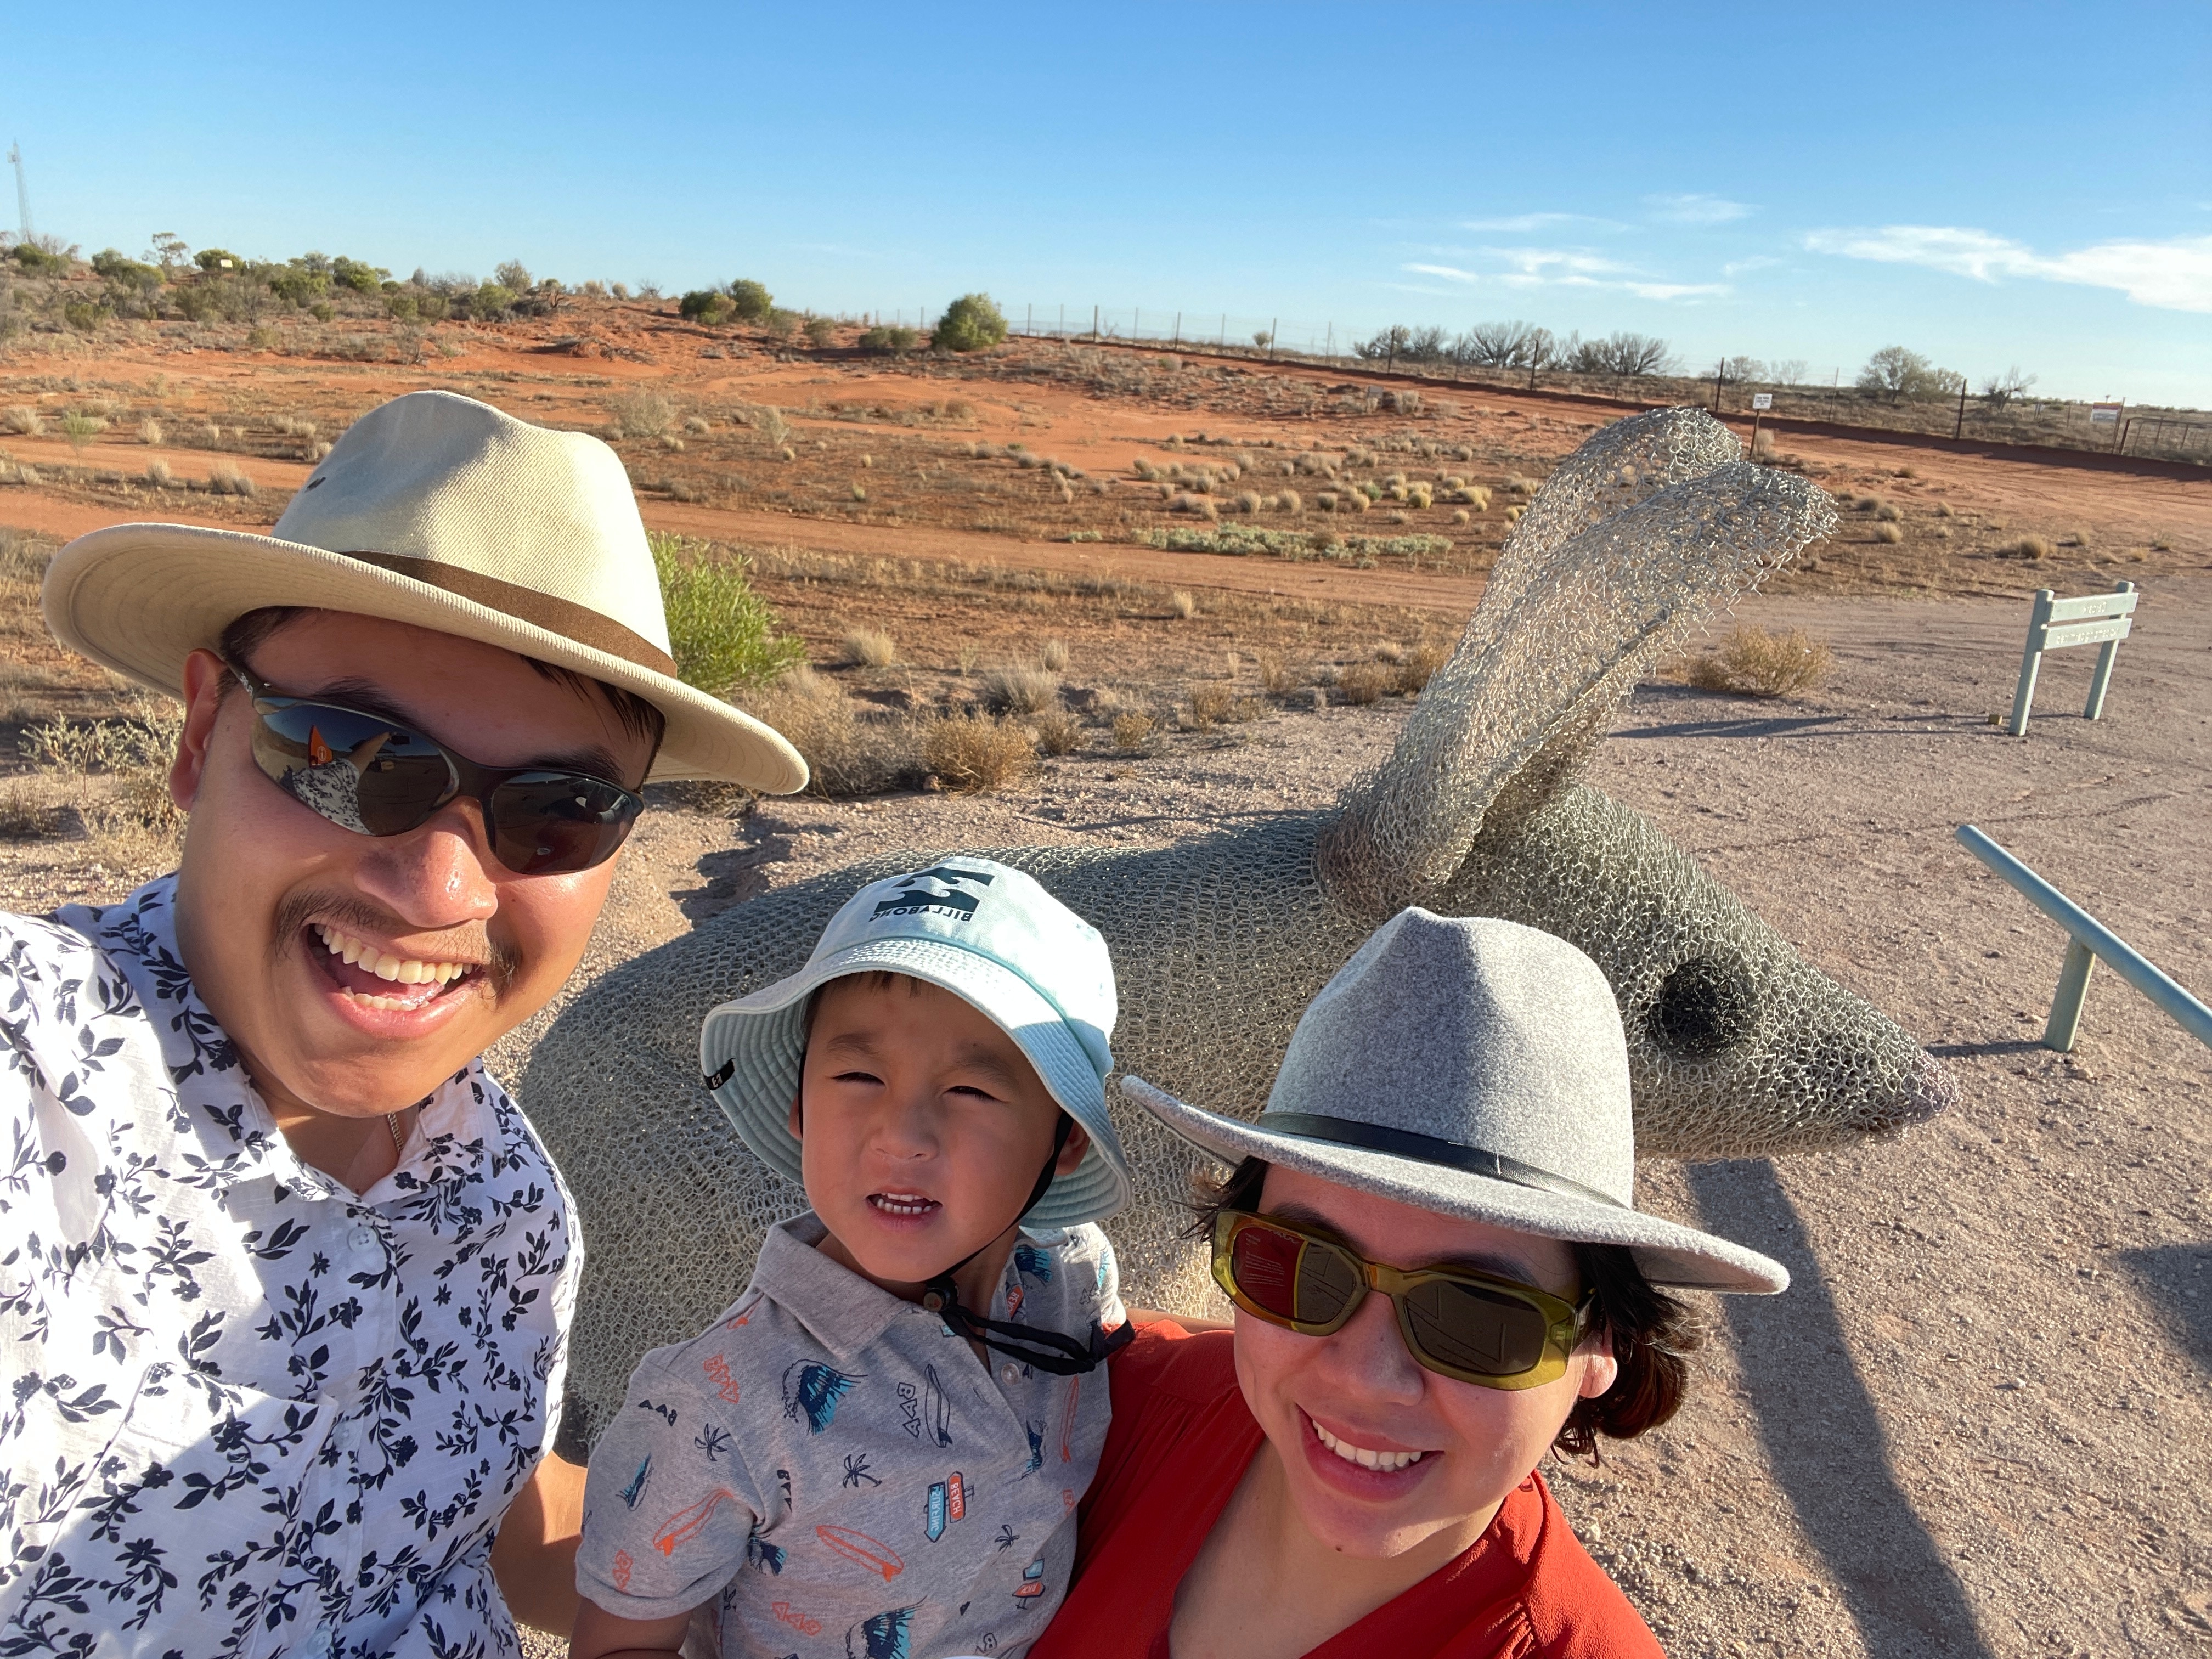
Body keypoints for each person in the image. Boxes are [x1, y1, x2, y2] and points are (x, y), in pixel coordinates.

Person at [0, 390, 806, 1658]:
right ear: (204, 732)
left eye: (560, 810)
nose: (439, 887)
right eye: (346, 750)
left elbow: (461, 1509)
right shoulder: (27, 1074)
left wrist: (838, 1577)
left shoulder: (511, 1206)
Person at [1031, 908, 1791, 1659]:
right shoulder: (1094, 1412)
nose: (1367, 1376)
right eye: (1299, 1271)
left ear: (1605, 1341)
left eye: (1477, 1317)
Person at [569, 860, 1137, 1659]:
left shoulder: (1072, 1283)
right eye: (858, 1075)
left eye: (971, 1091)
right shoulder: (712, 1406)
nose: (901, 1134)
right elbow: (621, 1648)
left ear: (1065, 1139)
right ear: (801, 1107)